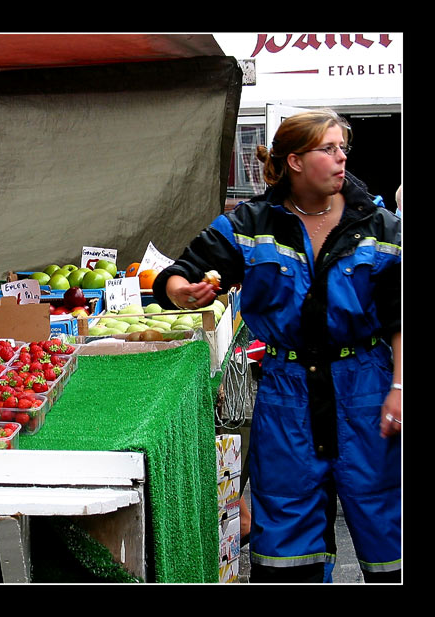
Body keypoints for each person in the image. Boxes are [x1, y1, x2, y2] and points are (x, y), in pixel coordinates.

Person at [152, 109, 401, 583]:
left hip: (366, 385)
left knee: (387, 521)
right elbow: (179, 271)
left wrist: (400, 386)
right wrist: (181, 290)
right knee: (287, 538)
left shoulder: (380, 226)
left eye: (342, 147)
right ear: (295, 161)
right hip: (287, 392)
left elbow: (400, 315)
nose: (341, 157)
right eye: (328, 149)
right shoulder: (250, 224)